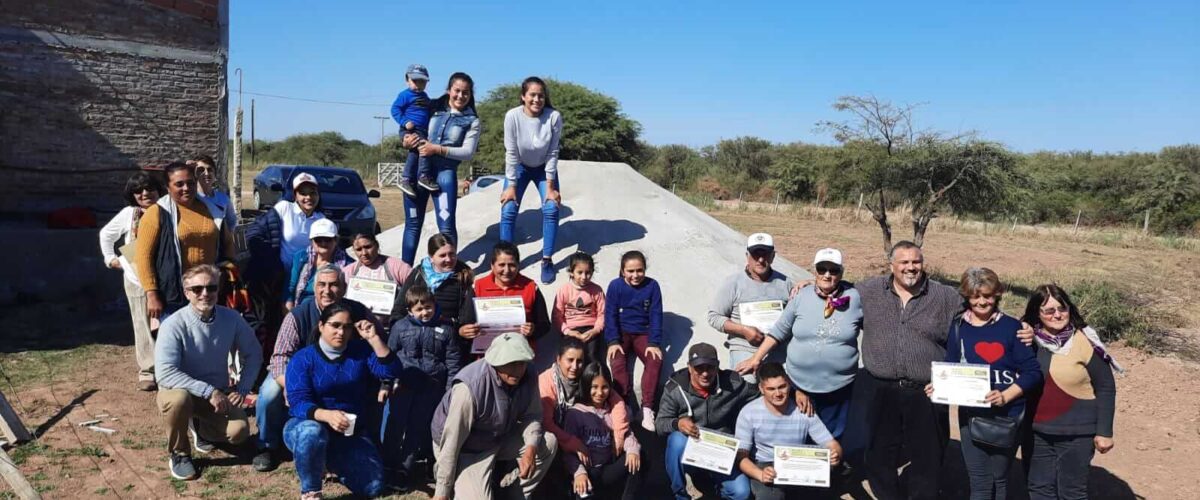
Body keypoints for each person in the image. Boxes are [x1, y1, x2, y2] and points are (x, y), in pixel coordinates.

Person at [855, 240, 962, 500]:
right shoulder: (868, 290)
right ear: (891, 265)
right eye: (904, 262)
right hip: (880, 388)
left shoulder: (945, 296)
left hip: (926, 390)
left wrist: (1023, 327)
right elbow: (835, 290)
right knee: (880, 452)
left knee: (928, 454)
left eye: (916, 262)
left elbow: (982, 311)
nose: (911, 267)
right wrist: (807, 284)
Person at [925, 267, 1042, 500]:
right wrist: (939, 385)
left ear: (997, 294)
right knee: (979, 481)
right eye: (975, 296)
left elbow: (1032, 372)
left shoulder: (1012, 327)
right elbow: (951, 364)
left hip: (1006, 416)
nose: (982, 302)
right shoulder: (958, 327)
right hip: (971, 415)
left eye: (987, 295)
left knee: (999, 479)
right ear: (967, 296)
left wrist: (1006, 395)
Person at [253, 264, 382, 472]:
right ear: (314, 287)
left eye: (334, 285)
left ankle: (361, 442)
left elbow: (380, 340)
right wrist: (293, 385)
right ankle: (267, 444)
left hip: (342, 370)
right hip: (296, 373)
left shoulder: (358, 311)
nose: (327, 290)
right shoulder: (298, 315)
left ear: (344, 288)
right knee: (269, 394)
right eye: (322, 284)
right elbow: (279, 358)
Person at [736, 248, 862, 444]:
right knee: (799, 434)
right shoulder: (801, 296)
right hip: (800, 384)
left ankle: (831, 463)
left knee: (832, 437)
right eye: (822, 269)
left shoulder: (856, 298)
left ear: (842, 272)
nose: (827, 275)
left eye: (834, 270)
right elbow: (779, 330)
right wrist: (756, 358)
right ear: (814, 270)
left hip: (838, 386)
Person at [154, 264, 262, 480]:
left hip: (217, 394)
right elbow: (165, 373)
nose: (205, 293)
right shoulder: (173, 324)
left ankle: (201, 427)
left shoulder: (231, 318)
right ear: (186, 293)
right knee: (178, 400)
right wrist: (208, 391)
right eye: (197, 289)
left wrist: (242, 388)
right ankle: (179, 453)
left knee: (239, 432)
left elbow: (254, 353)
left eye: (211, 288)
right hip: (181, 390)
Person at [283, 303, 401, 500]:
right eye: (335, 325)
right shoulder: (303, 358)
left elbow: (392, 371)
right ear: (321, 326)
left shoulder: (361, 352)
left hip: (348, 431)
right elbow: (297, 402)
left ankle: (329, 459)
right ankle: (311, 490)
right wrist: (327, 415)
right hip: (306, 425)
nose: (341, 332)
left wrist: (374, 339)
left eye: (346, 327)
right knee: (312, 433)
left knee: (372, 487)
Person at [431, 333, 559, 500]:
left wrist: (530, 448)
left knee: (548, 443)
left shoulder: (529, 373)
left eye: (521, 363)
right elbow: (452, 441)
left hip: (498, 436)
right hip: (466, 449)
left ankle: (514, 495)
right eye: (510, 364)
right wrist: (442, 490)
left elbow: (532, 415)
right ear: (495, 363)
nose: (518, 370)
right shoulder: (469, 389)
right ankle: (455, 476)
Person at [1021, 284, 1120, 500]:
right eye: (1049, 310)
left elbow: (1105, 386)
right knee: (1039, 489)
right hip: (1036, 431)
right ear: (1037, 313)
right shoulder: (1026, 340)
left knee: (1072, 492)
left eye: (1062, 308)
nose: (1057, 315)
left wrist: (1104, 432)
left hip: (1078, 432)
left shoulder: (1085, 340)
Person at [382, 286, 463, 490]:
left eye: (428, 307)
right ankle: (388, 463)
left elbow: (452, 361)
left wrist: (450, 390)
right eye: (419, 309)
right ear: (410, 311)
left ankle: (405, 468)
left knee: (417, 427)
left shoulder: (446, 329)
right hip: (404, 384)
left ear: (434, 306)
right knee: (395, 424)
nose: (424, 312)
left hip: (431, 386)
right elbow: (389, 356)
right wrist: (387, 382)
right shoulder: (400, 327)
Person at [655, 343, 757, 500]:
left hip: (720, 448)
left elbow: (760, 396)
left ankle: (714, 490)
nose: (705, 373)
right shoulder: (674, 389)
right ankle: (681, 494)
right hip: (691, 448)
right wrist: (677, 423)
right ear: (689, 367)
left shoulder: (733, 383)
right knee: (676, 440)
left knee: (741, 492)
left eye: (710, 367)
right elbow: (660, 424)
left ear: (717, 366)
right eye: (699, 368)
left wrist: (792, 396)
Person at [135, 161, 234, 321]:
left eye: (190, 183)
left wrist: (226, 272)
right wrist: (151, 293)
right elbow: (143, 257)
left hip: (208, 292)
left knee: (208, 335)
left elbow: (228, 243)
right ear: (168, 187)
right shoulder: (156, 214)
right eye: (179, 184)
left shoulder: (212, 210)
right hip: (174, 296)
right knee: (176, 336)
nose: (186, 188)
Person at [399, 72, 481, 265]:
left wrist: (437, 149)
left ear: (471, 94)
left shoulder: (472, 120)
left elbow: (467, 152)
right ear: (448, 90)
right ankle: (404, 272)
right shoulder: (431, 106)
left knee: (446, 226)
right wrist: (404, 138)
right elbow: (409, 121)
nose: (460, 96)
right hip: (418, 172)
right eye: (457, 91)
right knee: (412, 224)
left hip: (444, 175)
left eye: (465, 92)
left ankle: (449, 271)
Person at [735, 362, 843, 500]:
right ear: (761, 389)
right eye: (771, 389)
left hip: (797, 461)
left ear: (789, 384)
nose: (778, 394)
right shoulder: (749, 412)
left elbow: (831, 444)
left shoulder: (803, 408)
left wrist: (835, 455)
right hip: (765, 463)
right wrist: (760, 474)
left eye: (782, 387)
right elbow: (741, 456)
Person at [98, 171, 163, 391]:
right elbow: (106, 234)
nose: (145, 194)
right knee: (142, 323)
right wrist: (111, 259)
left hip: (165, 277)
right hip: (137, 278)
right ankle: (148, 370)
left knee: (168, 323)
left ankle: (170, 368)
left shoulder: (167, 209)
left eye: (149, 188)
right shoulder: (130, 214)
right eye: (138, 191)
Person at [499, 76, 564, 284]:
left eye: (541, 96)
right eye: (532, 95)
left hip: (544, 168)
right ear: (523, 96)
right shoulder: (513, 116)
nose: (537, 99)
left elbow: (553, 152)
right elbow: (510, 152)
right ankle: (505, 261)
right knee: (508, 208)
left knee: (551, 208)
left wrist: (551, 188)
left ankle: (547, 260)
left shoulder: (553, 117)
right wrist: (511, 186)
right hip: (519, 166)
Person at [245, 171, 326, 334]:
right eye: (303, 193)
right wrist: (269, 259)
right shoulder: (284, 208)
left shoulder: (321, 219)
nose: (308, 198)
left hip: (305, 278)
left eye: (312, 193)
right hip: (279, 275)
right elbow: (255, 231)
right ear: (295, 195)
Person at [709, 233, 794, 383]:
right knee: (746, 384)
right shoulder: (733, 283)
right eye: (756, 254)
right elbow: (714, 316)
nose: (760, 260)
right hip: (745, 348)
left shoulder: (786, 283)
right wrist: (744, 330)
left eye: (765, 254)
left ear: (773, 256)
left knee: (784, 385)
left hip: (778, 349)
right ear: (747, 256)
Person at [538, 338, 630, 471]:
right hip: (560, 437)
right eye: (570, 360)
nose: (575, 367)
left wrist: (618, 435)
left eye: (579, 361)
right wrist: (570, 442)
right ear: (558, 359)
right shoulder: (547, 382)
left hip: (586, 433)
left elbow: (617, 401)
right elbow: (546, 423)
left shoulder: (586, 374)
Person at [563, 361, 643, 500]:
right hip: (586, 473)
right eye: (594, 387)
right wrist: (579, 473)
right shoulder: (575, 413)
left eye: (604, 387)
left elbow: (627, 433)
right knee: (583, 492)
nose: (600, 393)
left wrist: (632, 450)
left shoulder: (614, 410)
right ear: (586, 386)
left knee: (639, 456)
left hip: (607, 469)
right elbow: (567, 452)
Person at [395, 233, 478, 364]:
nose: (449, 259)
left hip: (447, 344)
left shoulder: (463, 277)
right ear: (431, 257)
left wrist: (461, 330)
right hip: (416, 343)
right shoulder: (418, 274)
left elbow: (467, 318)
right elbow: (399, 310)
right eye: (442, 255)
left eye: (452, 254)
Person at [605, 250, 664, 431]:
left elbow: (656, 315)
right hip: (621, 333)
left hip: (642, 333)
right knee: (617, 361)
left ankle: (646, 408)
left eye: (639, 270)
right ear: (623, 271)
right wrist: (613, 340)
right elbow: (610, 314)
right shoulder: (615, 286)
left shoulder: (652, 286)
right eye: (630, 271)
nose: (635, 275)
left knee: (655, 360)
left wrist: (654, 342)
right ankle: (624, 405)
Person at [473, 242, 552, 347]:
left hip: (520, 351)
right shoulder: (478, 287)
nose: (507, 270)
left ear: (518, 265)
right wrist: (465, 330)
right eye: (501, 265)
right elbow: (466, 322)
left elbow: (544, 325)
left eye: (512, 265)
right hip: (487, 350)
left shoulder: (531, 287)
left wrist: (533, 330)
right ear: (492, 265)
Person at [343, 232, 412, 330]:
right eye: (358, 249)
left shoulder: (396, 266)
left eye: (368, 247)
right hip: (359, 329)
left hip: (392, 327)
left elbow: (416, 286)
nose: (364, 253)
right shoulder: (348, 272)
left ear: (376, 245)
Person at [552, 251, 607, 363]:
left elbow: (603, 313)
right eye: (580, 272)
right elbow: (557, 316)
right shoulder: (564, 290)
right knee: (570, 355)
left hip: (591, 329)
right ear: (571, 272)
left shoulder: (597, 290)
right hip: (571, 329)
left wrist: (595, 330)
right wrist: (568, 331)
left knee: (592, 355)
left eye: (588, 273)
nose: (584, 277)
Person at [285, 218, 352, 310]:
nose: (323, 243)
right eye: (318, 240)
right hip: (303, 307)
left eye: (328, 239)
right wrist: (290, 310)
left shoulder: (347, 263)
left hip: (334, 309)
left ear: (336, 240)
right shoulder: (301, 257)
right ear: (311, 241)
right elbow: (290, 286)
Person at [391, 63, 435, 197]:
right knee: (423, 149)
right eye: (415, 81)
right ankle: (422, 176)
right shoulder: (404, 95)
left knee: (416, 153)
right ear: (407, 80)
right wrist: (405, 122)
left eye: (422, 82)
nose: (418, 85)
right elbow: (395, 109)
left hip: (422, 130)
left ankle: (407, 180)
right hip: (410, 129)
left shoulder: (425, 97)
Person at [190, 154, 238, 231]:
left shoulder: (223, 199)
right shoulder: (191, 197)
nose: (206, 173)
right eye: (201, 170)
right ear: (195, 174)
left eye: (209, 170)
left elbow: (232, 222)